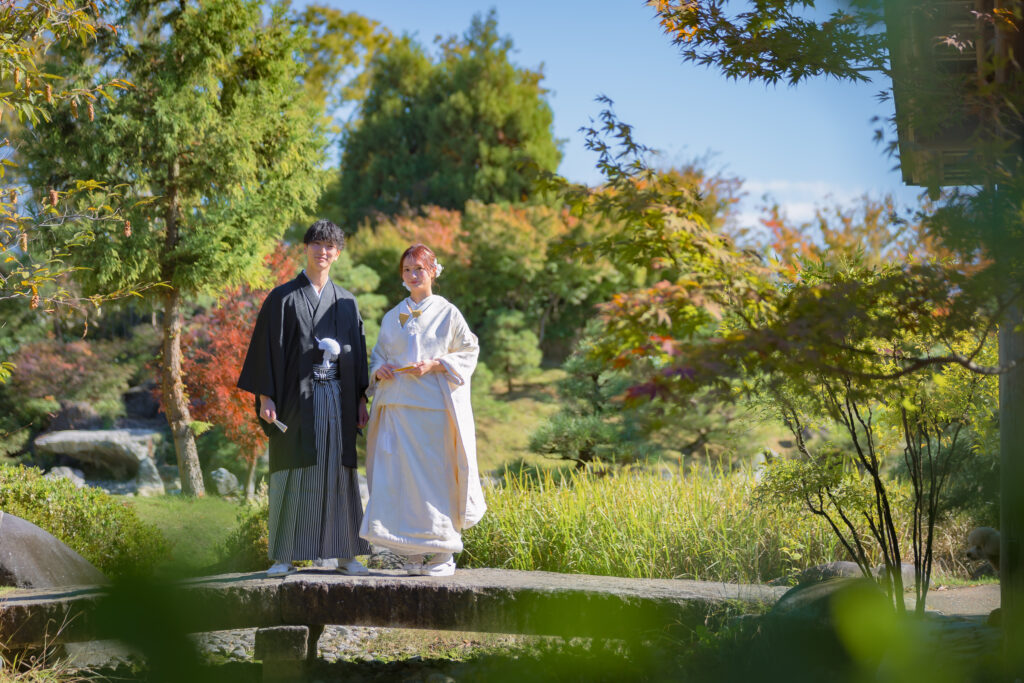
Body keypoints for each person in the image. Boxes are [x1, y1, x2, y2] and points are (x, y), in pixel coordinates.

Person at [237, 219, 371, 577]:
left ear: (337, 254)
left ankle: (346, 554)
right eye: (316, 244)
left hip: (338, 399)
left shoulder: (346, 301)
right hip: (297, 401)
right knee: (293, 472)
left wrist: (361, 399)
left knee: (339, 473)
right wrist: (266, 397)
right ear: (306, 248)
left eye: (329, 247)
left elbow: (357, 354)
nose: (322, 251)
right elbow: (267, 351)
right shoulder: (282, 298)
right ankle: (284, 555)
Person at [359, 244, 486, 577]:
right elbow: (377, 355)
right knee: (401, 482)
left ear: (432, 271)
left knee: (435, 480)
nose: (413, 275)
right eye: (407, 270)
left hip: (433, 412)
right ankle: (412, 554)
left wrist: (437, 363)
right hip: (399, 412)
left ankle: (443, 555)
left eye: (419, 268)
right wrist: (379, 370)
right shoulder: (392, 316)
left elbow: (469, 351)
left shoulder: (448, 313)